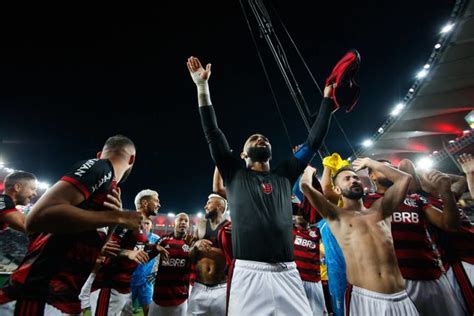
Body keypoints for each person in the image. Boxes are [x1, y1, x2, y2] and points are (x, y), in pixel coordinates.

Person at [188, 55, 337, 315]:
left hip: (289, 272)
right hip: (248, 274)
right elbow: (212, 132)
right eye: (254, 138)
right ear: (243, 154)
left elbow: (313, 141)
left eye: (264, 138)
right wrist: (202, 87)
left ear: (270, 150)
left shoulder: (285, 174)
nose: (260, 138)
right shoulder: (234, 172)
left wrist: (326, 100)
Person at [0, 135, 142, 315]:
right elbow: (36, 218)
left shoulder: (109, 193)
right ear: (132, 159)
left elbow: (94, 251)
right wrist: (119, 218)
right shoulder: (101, 167)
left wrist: (113, 220)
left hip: (64, 299)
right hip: (38, 296)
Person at [300, 159, 419, 315]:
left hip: (401, 297)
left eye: (356, 178)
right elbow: (305, 187)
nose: (354, 180)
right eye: (347, 179)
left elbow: (404, 179)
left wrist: (371, 162)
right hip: (366, 300)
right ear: (337, 189)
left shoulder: (380, 209)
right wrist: (309, 170)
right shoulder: (336, 215)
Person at [364, 159, 464, 315]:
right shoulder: (364, 202)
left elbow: (450, 225)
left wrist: (446, 192)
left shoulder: (415, 199)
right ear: (372, 176)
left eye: (392, 168)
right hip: (398, 281)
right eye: (384, 168)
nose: (390, 170)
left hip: (433, 275)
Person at [90, 189, 161, 316]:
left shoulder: (142, 228)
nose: (159, 204)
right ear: (145, 203)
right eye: (156, 200)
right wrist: (128, 253)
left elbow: (141, 256)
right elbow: (107, 249)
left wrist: (156, 249)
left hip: (125, 286)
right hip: (109, 284)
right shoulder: (128, 220)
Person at [188, 193, 229, 316]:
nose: (206, 206)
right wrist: (195, 245)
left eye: (209, 203)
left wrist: (215, 250)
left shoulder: (230, 227)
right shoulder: (200, 225)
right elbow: (191, 257)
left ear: (220, 207)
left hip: (221, 288)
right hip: (199, 286)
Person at [150, 213, 194, 316]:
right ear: (174, 223)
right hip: (159, 295)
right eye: (180, 220)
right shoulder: (164, 240)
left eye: (186, 221)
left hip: (180, 297)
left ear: (188, 225)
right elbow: (148, 255)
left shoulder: (192, 242)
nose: (183, 222)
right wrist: (155, 247)